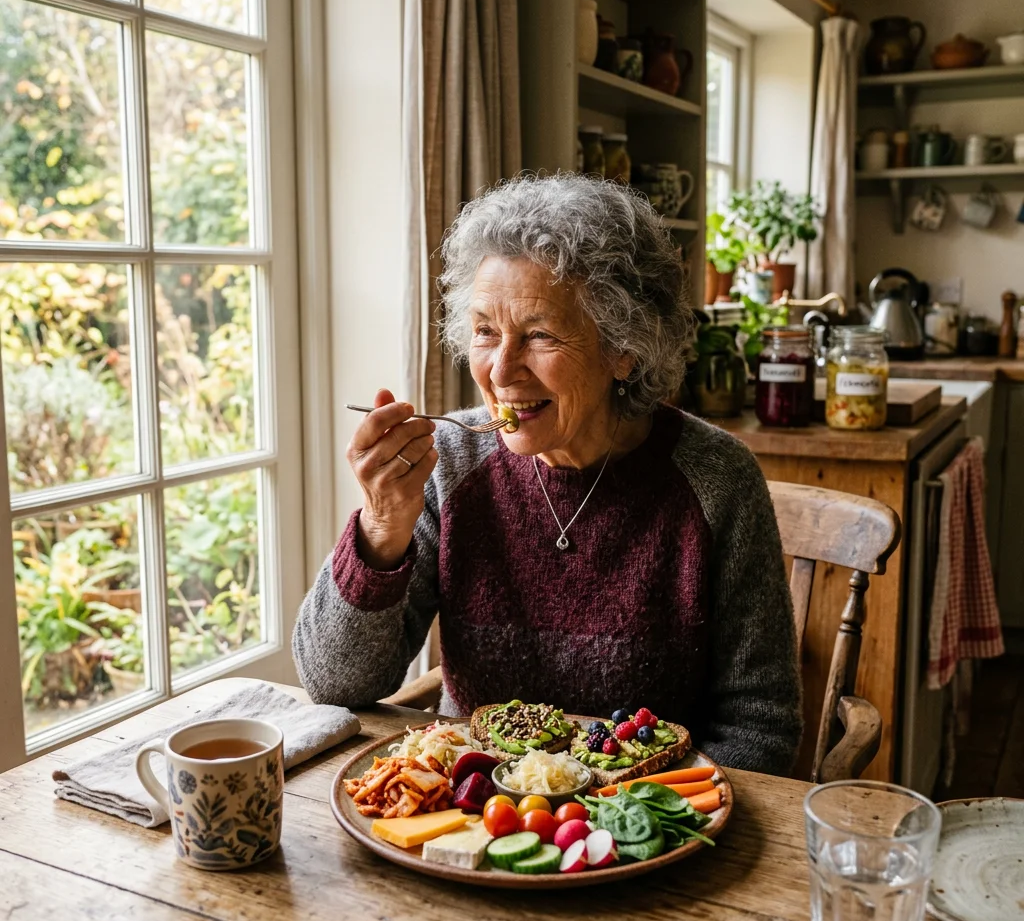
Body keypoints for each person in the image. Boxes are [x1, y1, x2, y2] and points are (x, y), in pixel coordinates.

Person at [293, 174, 801, 775]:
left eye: (539, 335)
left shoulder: (717, 481)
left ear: (624, 347)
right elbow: (333, 683)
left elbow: (760, 726)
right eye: (485, 331)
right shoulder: (450, 464)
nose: (502, 370)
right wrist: (381, 531)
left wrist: (634, 820)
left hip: (647, 823)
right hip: (474, 816)